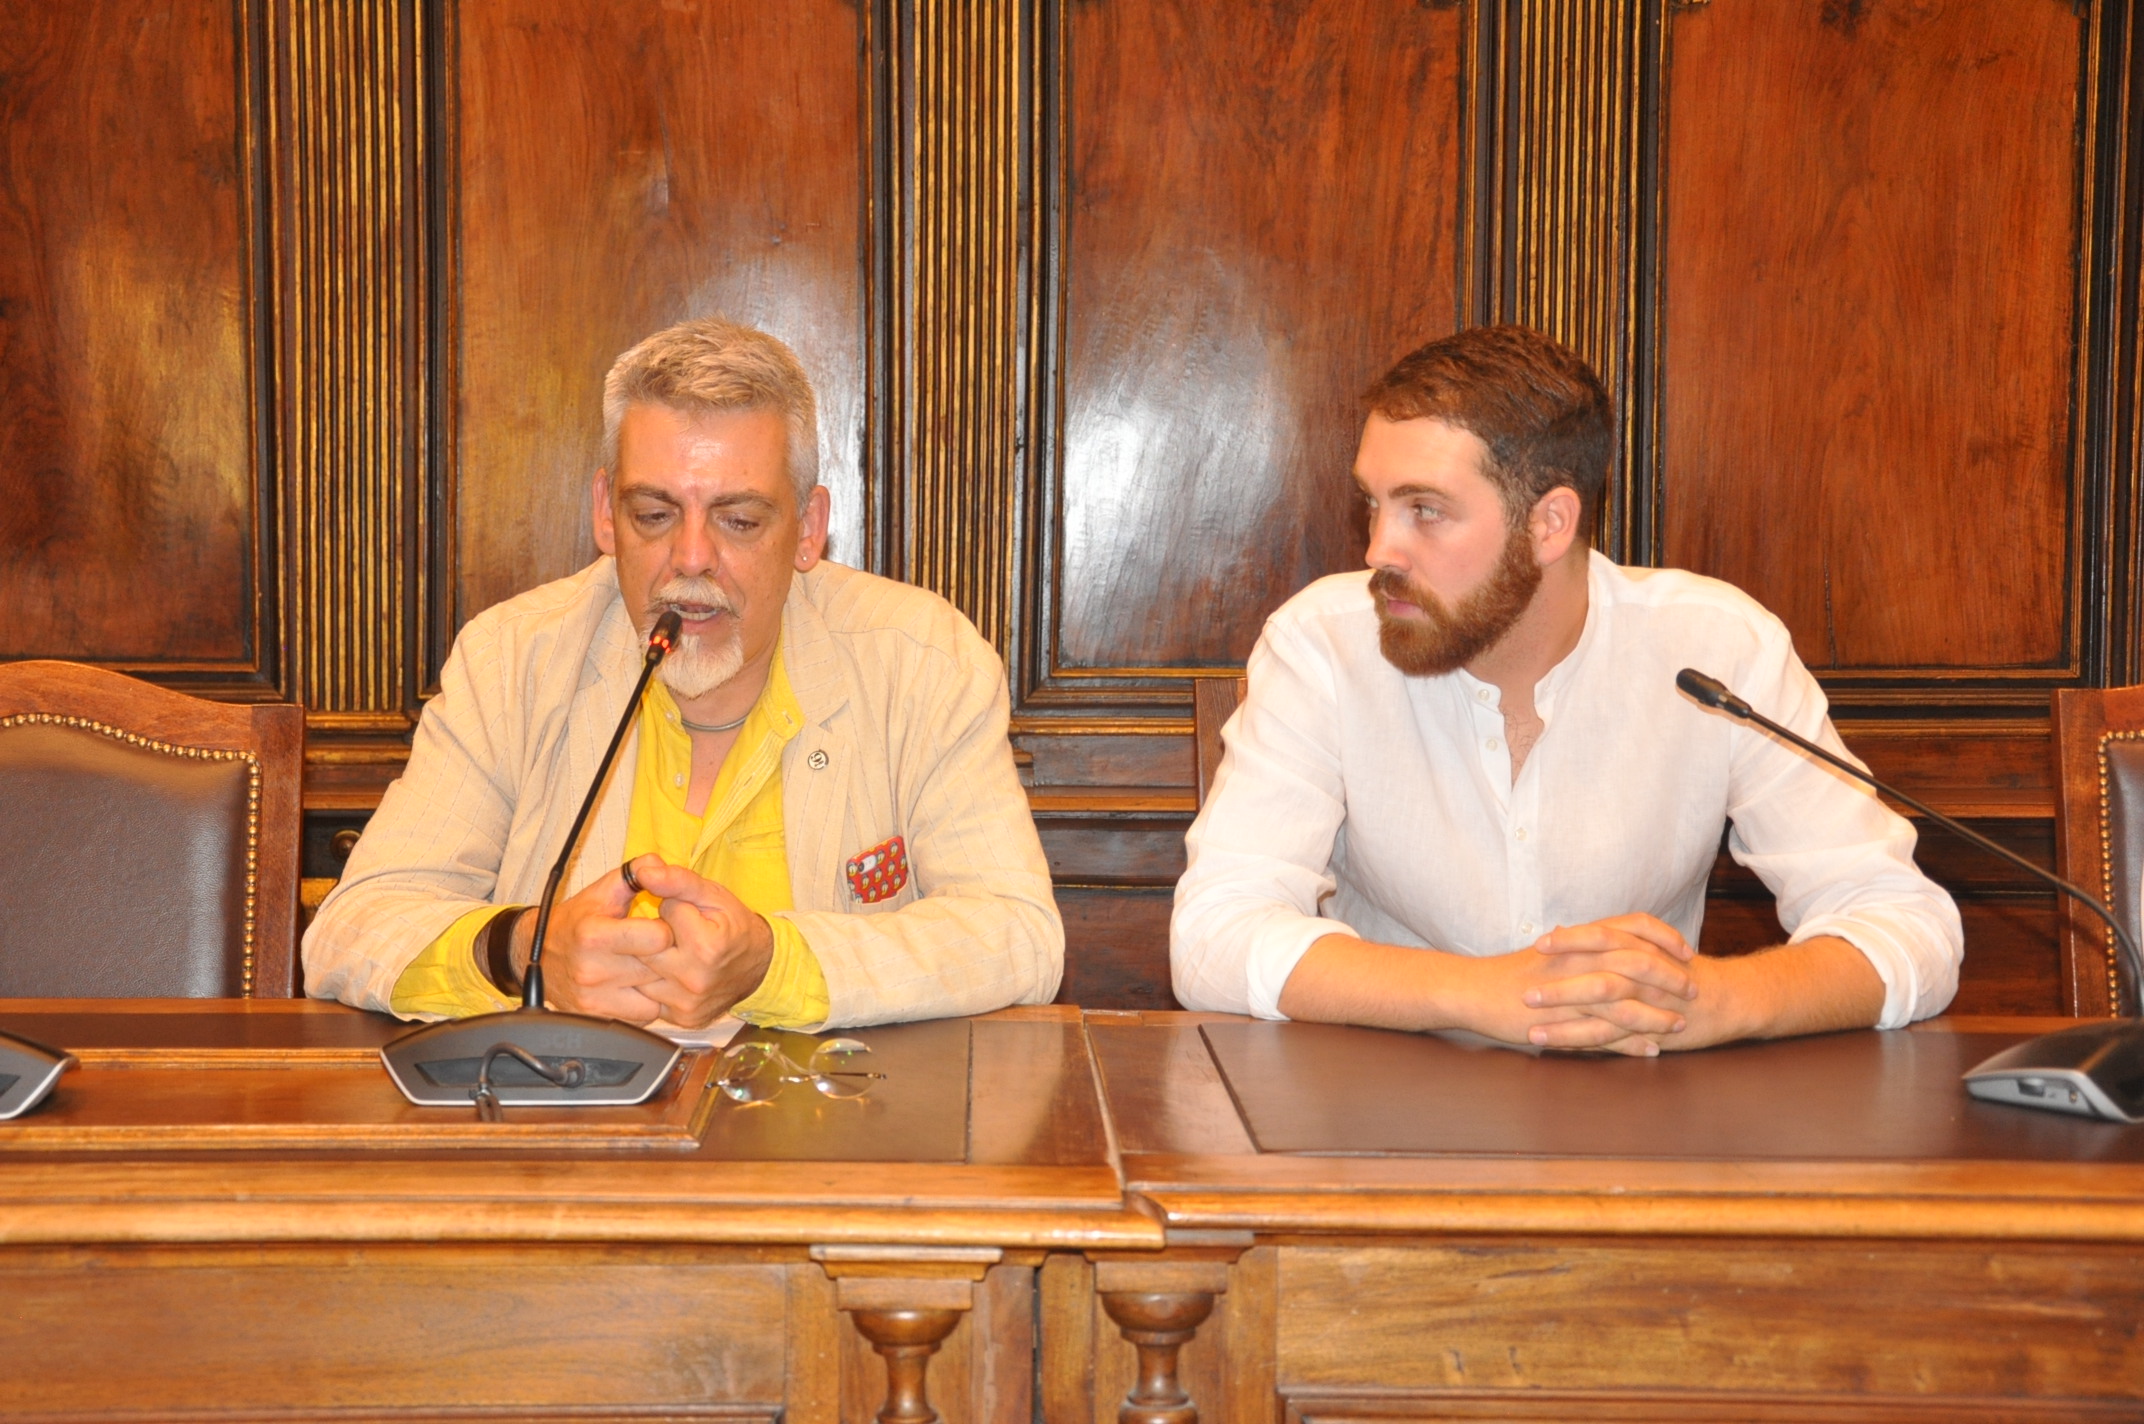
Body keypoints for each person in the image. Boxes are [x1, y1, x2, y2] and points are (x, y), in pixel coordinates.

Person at [1171, 324, 1959, 1055]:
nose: (1380, 548)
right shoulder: (1322, 644)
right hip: (1379, 1113)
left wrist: (1714, 1000)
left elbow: (1906, 924)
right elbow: (1212, 936)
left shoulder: (1720, 648)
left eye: (1425, 510)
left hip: (1638, 1119)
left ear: (1550, 523)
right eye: (1373, 504)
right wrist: (1481, 992)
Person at [306, 317, 1062, 1030]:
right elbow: (349, 931)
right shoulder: (511, 660)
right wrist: (518, 951)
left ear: (808, 529)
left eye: (739, 521)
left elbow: (1018, 934)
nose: (692, 558)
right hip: (569, 1117)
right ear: (606, 513)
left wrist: (773, 965)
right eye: (655, 515)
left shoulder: (923, 662)